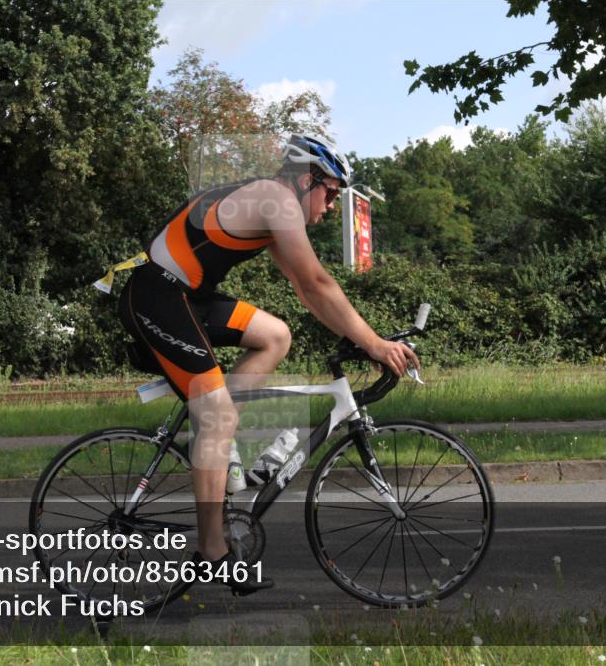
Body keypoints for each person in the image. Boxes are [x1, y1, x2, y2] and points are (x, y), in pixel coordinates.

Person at [117, 134, 419, 594]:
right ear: (305, 179)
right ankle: (212, 552)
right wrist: (375, 344)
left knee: (275, 336)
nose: (332, 205)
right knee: (216, 413)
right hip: (157, 296)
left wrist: (360, 336)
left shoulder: (275, 204)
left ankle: (216, 439)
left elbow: (306, 289)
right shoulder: (276, 199)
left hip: (188, 298)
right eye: (331, 192)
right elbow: (316, 283)